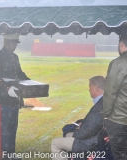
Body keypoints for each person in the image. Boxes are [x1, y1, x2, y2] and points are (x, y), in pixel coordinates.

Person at [0, 33, 30, 160]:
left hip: (13, 99)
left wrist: (31, 83)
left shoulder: (15, 57)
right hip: (2, 99)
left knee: (12, 128)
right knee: (3, 129)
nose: (15, 46)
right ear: (6, 42)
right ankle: (3, 156)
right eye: (13, 43)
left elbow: (19, 73)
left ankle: (11, 154)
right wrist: (7, 89)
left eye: (16, 43)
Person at [51, 76, 105, 160]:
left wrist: (77, 130)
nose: (89, 90)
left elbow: (89, 130)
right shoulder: (105, 101)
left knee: (55, 143)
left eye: (90, 87)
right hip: (96, 138)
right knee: (68, 134)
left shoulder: (100, 106)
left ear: (95, 88)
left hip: (90, 142)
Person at [102, 32, 127, 160]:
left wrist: (106, 115)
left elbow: (110, 92)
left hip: (119, 119)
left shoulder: (118, 63)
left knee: (120, 155)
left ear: (121, 44)